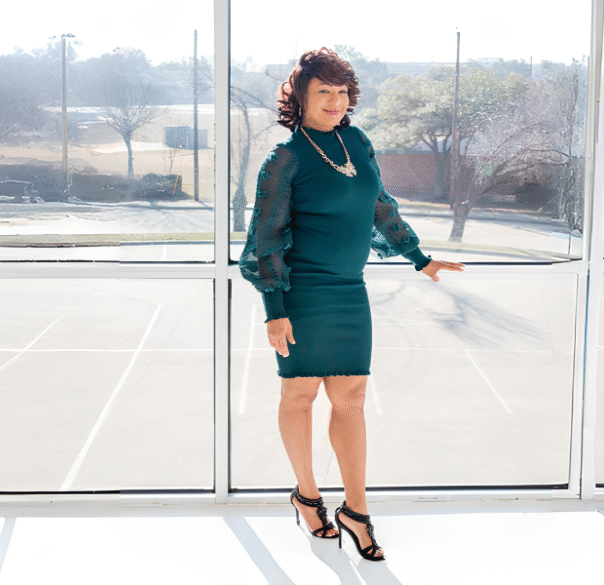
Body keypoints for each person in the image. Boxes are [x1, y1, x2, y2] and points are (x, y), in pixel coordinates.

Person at [239, 47, 465, 562]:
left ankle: (355, 511)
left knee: (352, 398)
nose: (335, 102)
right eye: (324, 92)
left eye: (343, 93)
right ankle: (307, 494)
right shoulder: (284, 161)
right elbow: (267, 239)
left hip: (348, 290)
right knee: (299, 396)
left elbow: (380, 207)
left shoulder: (357, 143)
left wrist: (419, 258)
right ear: (299, 97)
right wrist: (275, 309)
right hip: (300, 294)